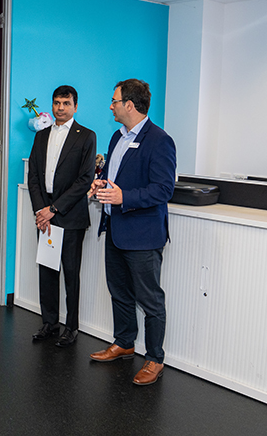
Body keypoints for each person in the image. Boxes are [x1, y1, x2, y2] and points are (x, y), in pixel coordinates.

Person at [88, 79, 176, 386]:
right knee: (120, 293)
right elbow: (114, 175)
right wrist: (101, 183)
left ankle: (154, 358)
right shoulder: (117, 137)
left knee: (150, 300)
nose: (110, 106)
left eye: (114, 101)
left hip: (143, 234)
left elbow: (164, 190)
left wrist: (124, 197)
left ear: (129, 105)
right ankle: (124, 342)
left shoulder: (159, 140)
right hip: (115, 229)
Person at [27, 85, 97, 347]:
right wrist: (40, 210)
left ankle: (72, 327)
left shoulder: (86, 136)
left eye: (66, 103)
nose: (60, 108)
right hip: (44, 213)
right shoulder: (42, 135)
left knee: (70, 272)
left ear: (75, 106)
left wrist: (53, 209)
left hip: (69, 214)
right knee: (46, 269)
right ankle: (49, 323)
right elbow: (33, 175)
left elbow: (84, 180)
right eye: (56, 103)